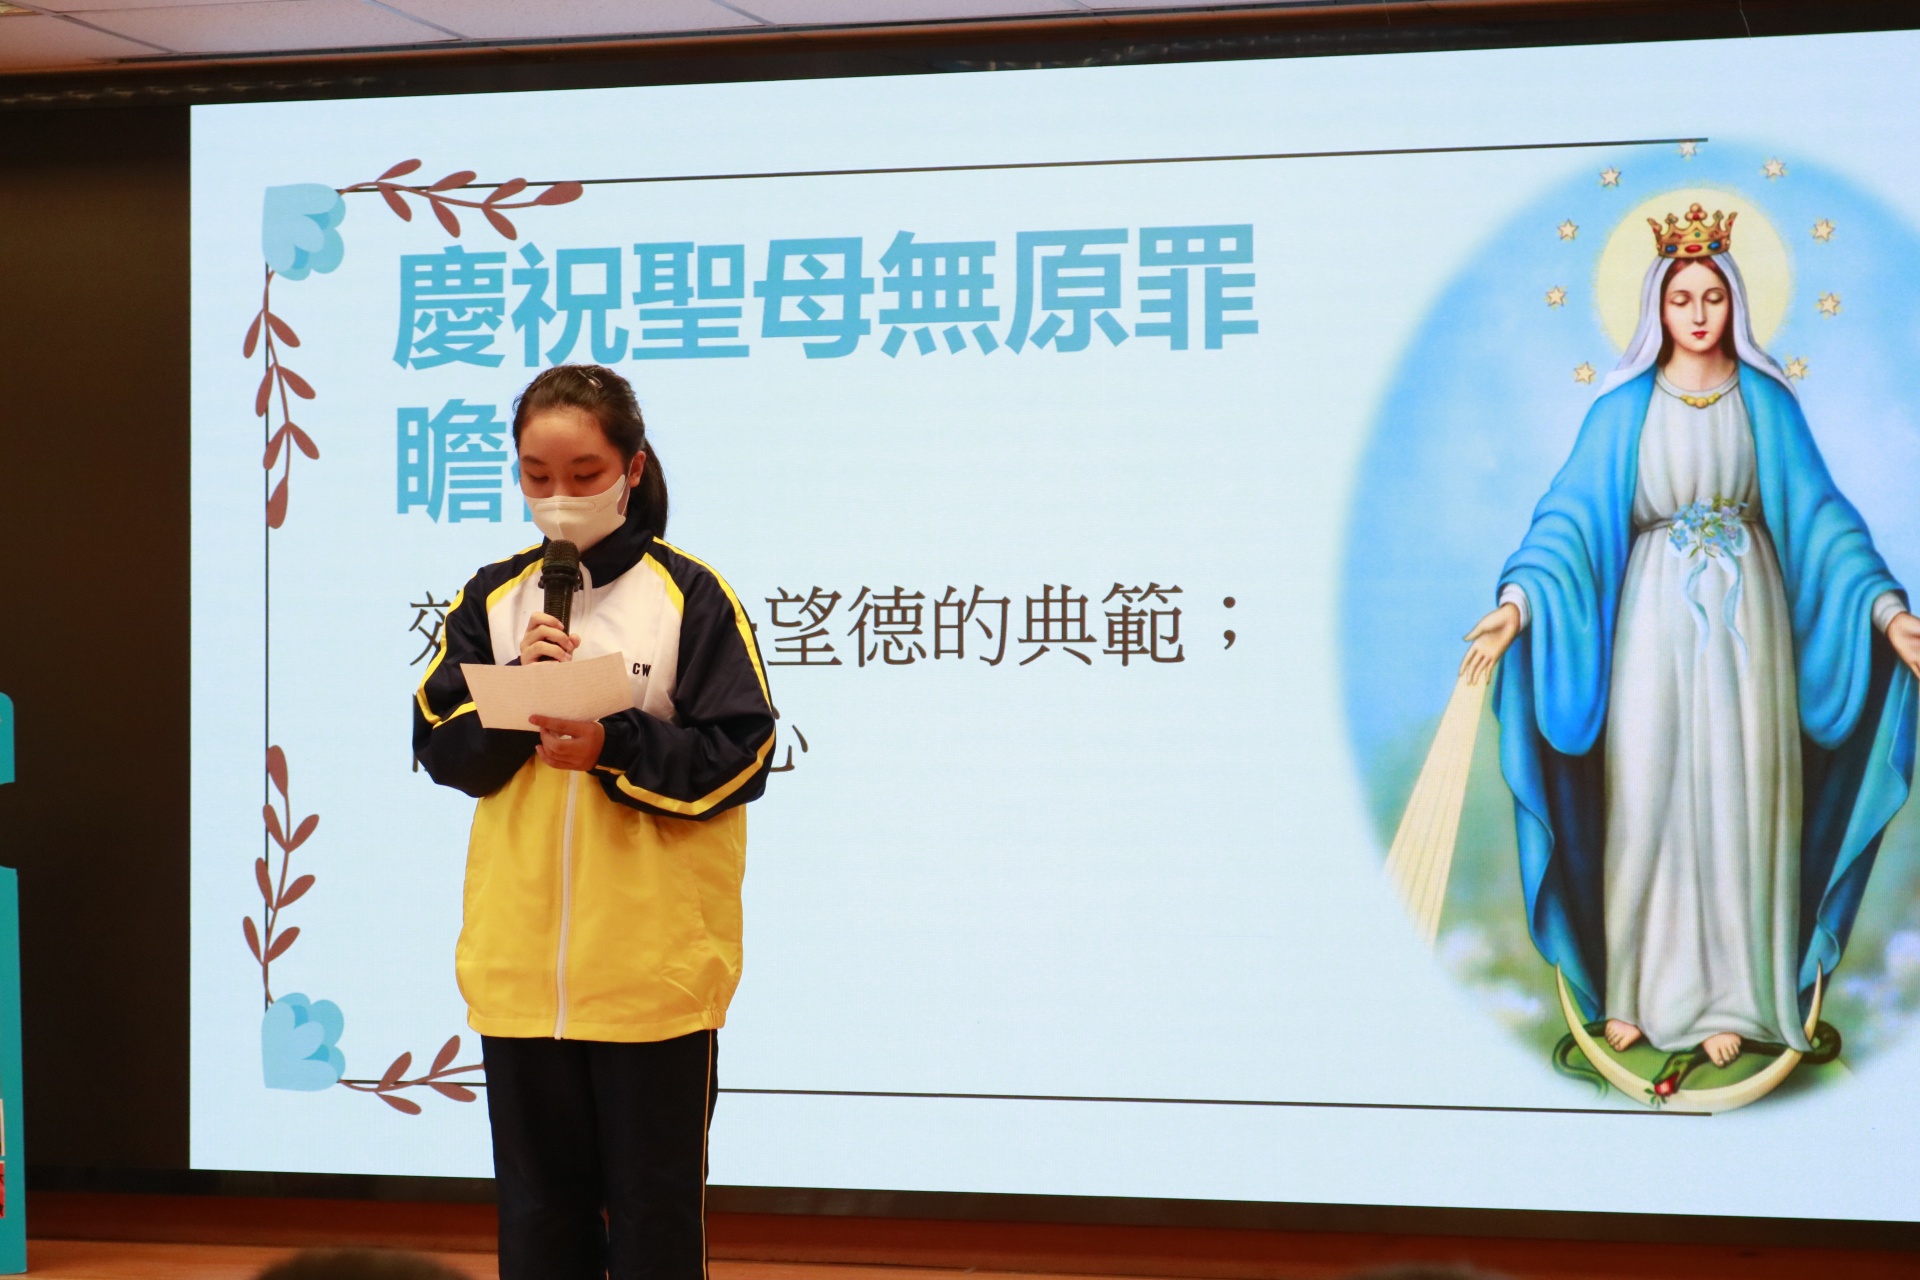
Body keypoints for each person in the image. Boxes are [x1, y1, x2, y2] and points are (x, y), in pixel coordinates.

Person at [1459, 205, 1920, 1066]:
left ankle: (1736, 999)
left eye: (1713, 297)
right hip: (1651, 628)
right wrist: (1518, 603)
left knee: (1743, 798)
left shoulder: (1767, 406)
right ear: (1657, 308)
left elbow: (1825, 523)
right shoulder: (1622, 411)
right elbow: (1566, 523)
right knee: (1648, 795)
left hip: (1752, 634)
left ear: (1734, 302)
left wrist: (1890, 615)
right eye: (1682, 299)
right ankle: (1638, 994)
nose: (1699, 314)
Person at [413, 364, 775, 1280]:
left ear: (632, 467)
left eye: (584, 474)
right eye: (537, 475)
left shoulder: (690, 596)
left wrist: (615, 744)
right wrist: (520, 695)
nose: (560, 496)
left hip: (651, 976)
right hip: (521, 972)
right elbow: (441, 747)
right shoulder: (493, 599)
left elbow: (742, 755)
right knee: (539, 1221)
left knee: (655, 1222)